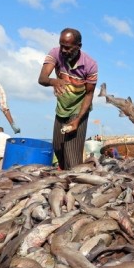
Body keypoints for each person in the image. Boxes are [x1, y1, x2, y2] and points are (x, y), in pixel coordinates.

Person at [38, 28, 98, 170]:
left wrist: (78, 120)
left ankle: (75, 183)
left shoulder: (90, 65)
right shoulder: (55, 53)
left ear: (79, 46)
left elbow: (89, 95)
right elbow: (42, 78)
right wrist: (54, 81)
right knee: (58, 148)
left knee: (72, 155)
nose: (64, 50)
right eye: (62, 46)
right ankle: (66, 175)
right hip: (62, 108)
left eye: (68, 47)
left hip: (79, 109)